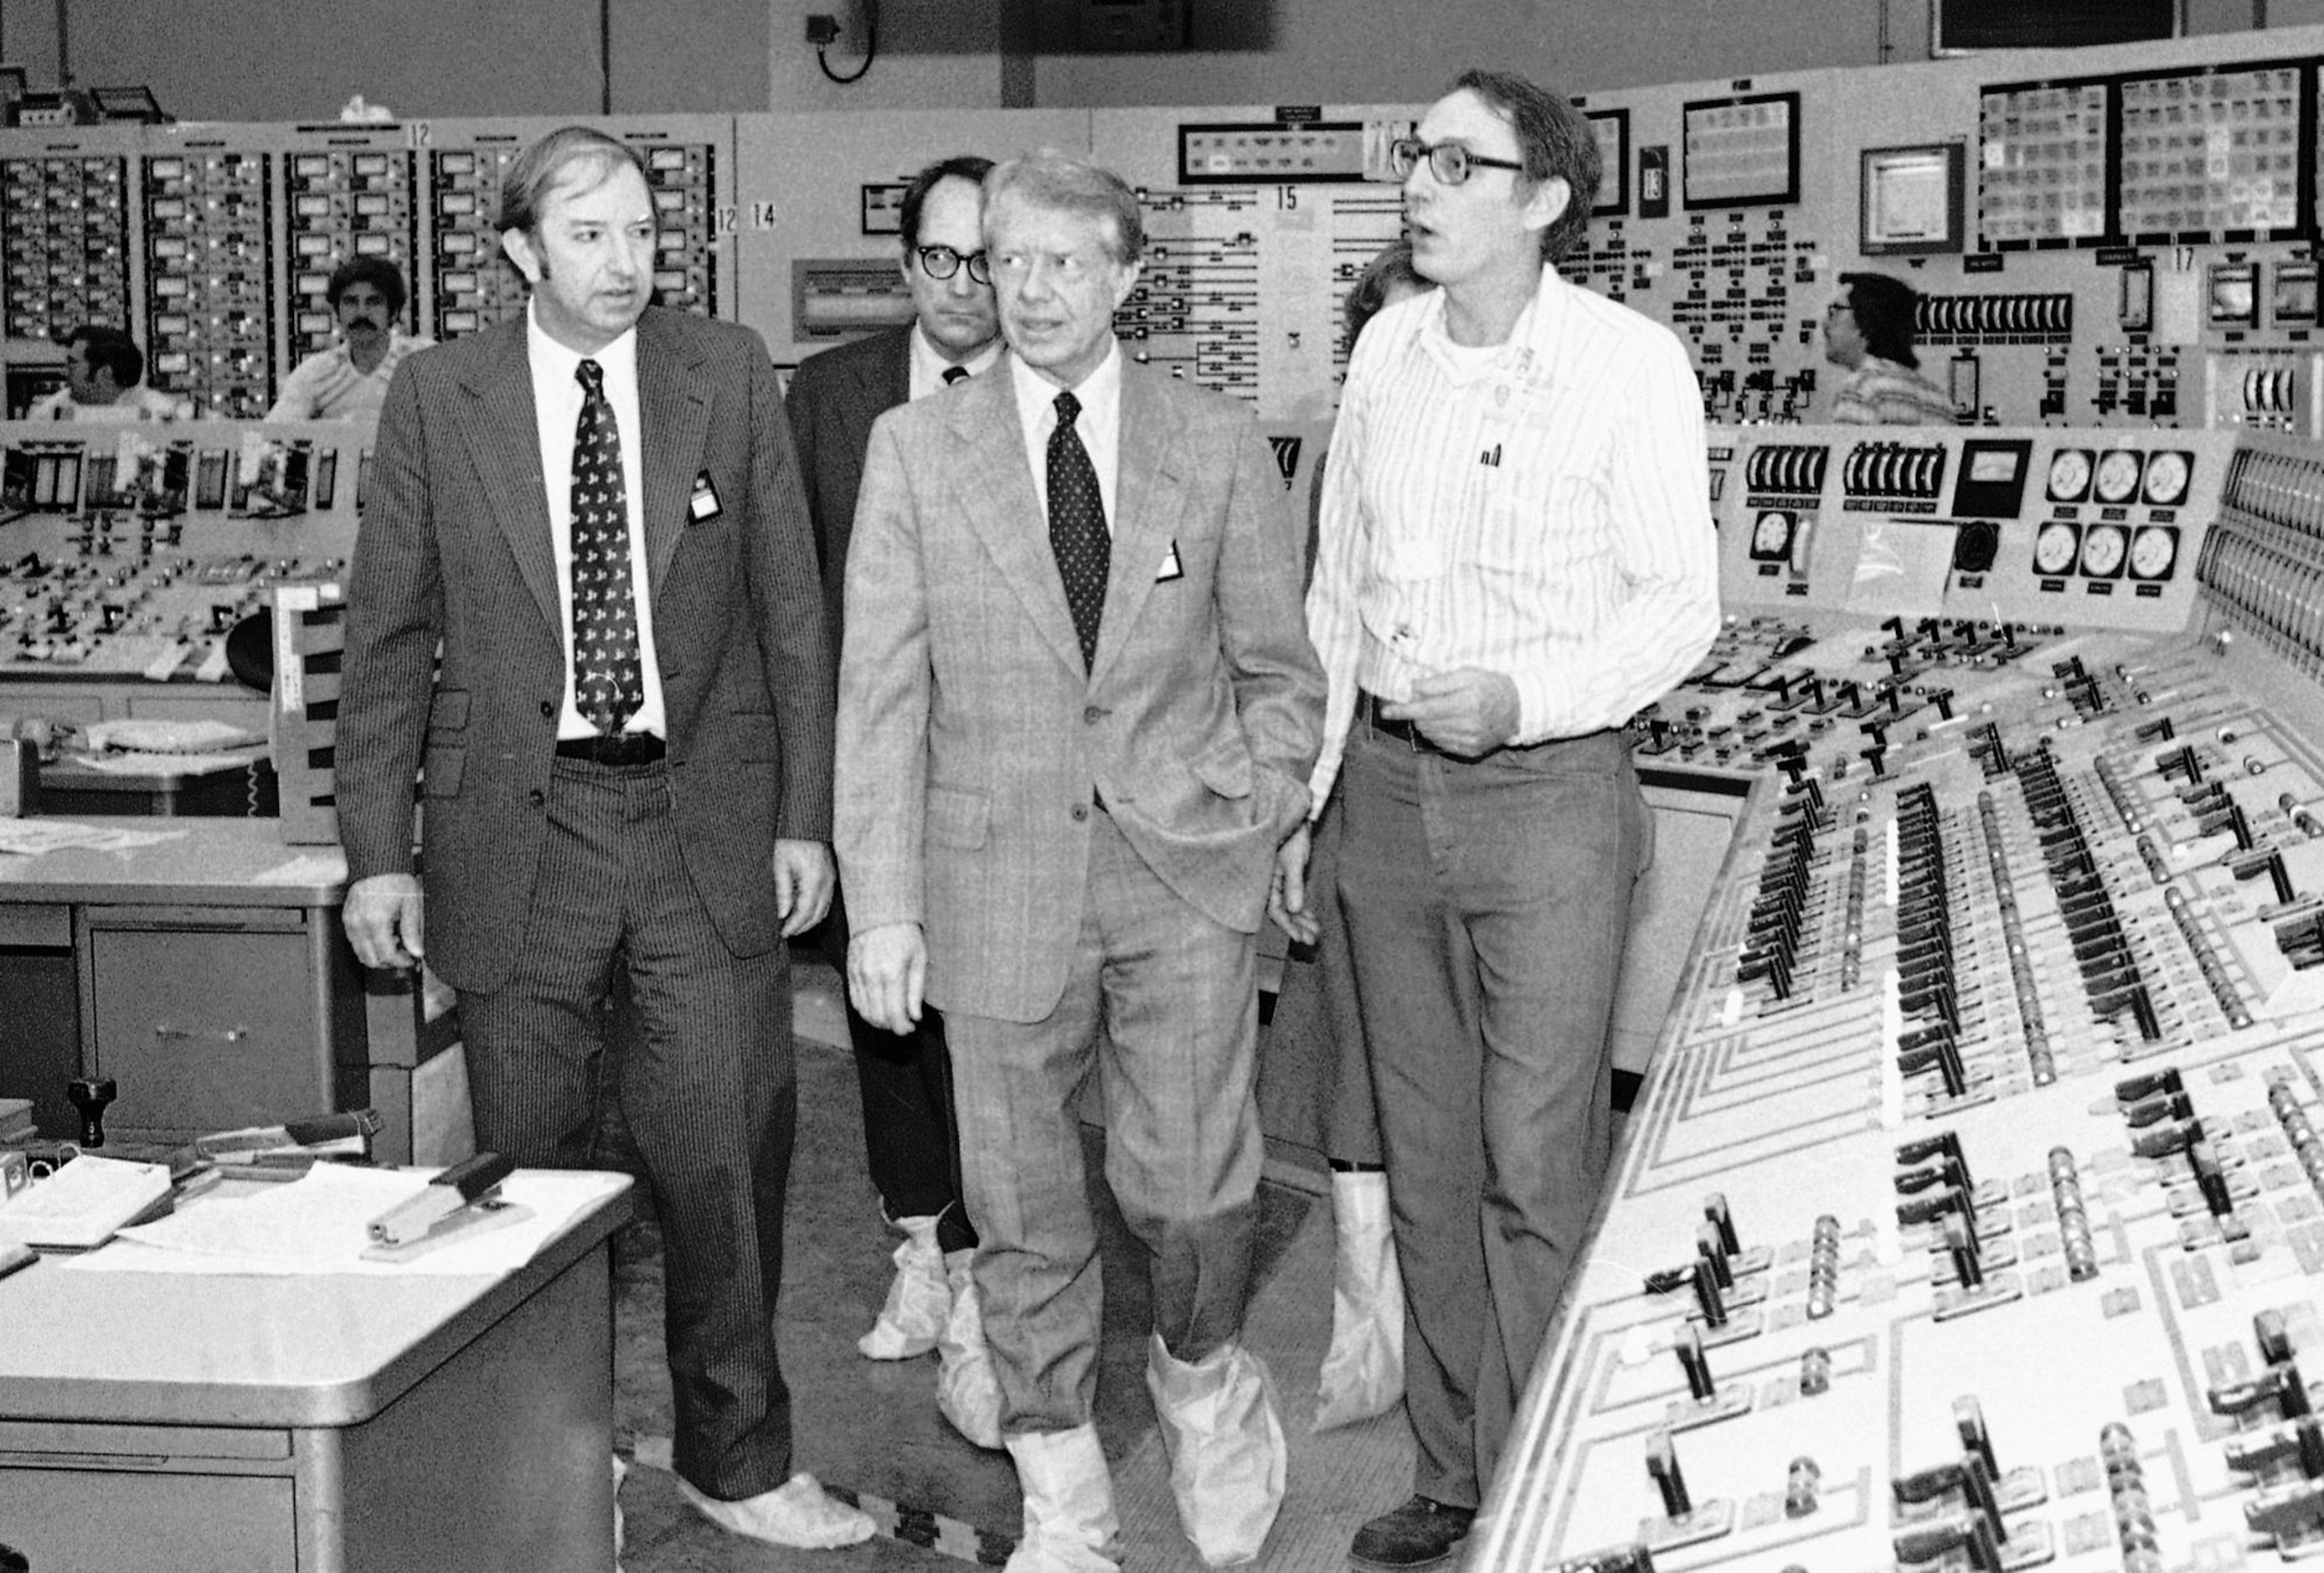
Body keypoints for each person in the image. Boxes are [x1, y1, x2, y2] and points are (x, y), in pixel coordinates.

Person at [333, 125, 873, 1555]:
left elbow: (792, 615)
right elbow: (387, 633)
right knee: (526, 1172)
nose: (625, 260)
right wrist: (376, 847)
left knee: (725, 1152)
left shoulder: (729, 374)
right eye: (589, 234)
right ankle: (541, 1472)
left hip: (698, 819)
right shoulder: (440, 399)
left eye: (641, 231)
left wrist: (802, 816)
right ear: (519, 248)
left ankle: (736, 1459)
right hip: (521, 828)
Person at [836, 150, 1324, 1573]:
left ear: (1124, 276)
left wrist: (1259, 799)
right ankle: (1064, 1497)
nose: (1029, 289)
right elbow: (881, 696)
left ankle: (1202, 1379)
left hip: (1181, 875)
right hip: (990, 884)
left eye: (1062, 262)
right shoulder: (918, 452)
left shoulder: (1215, 441)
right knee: (1027, 1210)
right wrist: (884, 907)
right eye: (1006, 260)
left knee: (1191, 1190)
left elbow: (1280, 672)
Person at [1275, 69, 1719, 1573]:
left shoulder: (1629, 363)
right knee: (1426, 1156)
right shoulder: (1389, 350)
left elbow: (1684, 607)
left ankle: (1543, 1486)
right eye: (1416, 154)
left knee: (1537, 1158)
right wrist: (1308, 793)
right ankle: (1456, 1471)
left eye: (1460, 165)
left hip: (1549, 800)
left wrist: (1523, 698)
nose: (1420, 182)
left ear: (1543, 199)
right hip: (1387, 801)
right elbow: (1340, 597)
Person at [786, 152, 1005, 1447]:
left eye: (989, 259)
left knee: (985, 1036)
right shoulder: (831, 398)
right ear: (902, 265)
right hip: (870, 777)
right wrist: (802, 807)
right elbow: (796, 605)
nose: (965, 286)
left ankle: (987, 1269)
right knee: (883, 1026)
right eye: (939, 258)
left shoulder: (1047, 395)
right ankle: (922, 1248)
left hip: (1001, 789)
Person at [1260, 234, 1426, 1436]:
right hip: (1363, 774)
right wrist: (1298, 811)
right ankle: (1367, 1325)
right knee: (1355, 1062)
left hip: (1490, 795)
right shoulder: (1349, 459)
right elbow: (1322, 642)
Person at [266, 255, 433, 421]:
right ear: (337, 313)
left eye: (373, 302)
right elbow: (272, 437)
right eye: (350, 302)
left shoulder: (425, 363)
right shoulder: (315, 373)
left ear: (394, 312)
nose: (361, 313)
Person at [1823, 271, 1954, 425]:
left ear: (1866, 321)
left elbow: (1845, 449)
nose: (1825, 323)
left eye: (1835, 311)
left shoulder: (1861, 390)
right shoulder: (1938, 400)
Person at [29, 325, 191, 421]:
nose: (65, 372)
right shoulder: (56, 407)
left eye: (73, 365)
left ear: (105, 373)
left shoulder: (155, 408)